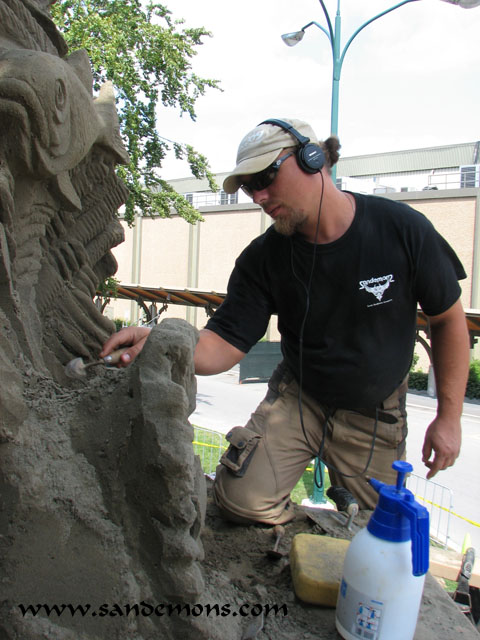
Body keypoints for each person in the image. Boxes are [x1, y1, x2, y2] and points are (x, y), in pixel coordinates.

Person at [101, 117, 470, 525]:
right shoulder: (263, 258)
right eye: (247, 186)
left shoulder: (402, 229)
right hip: (299, 396)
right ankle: (311, 535)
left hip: (375, 408)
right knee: (240, 501)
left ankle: (347, 524)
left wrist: (449, 417)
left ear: (313, 159)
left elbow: (448, 320)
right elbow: (223, 342)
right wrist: (164, 341)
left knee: (383, 526)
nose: (258, 195)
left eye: (266, 177)